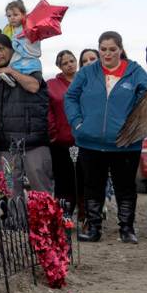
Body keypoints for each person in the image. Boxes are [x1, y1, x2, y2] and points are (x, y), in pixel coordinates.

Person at [65, 32, 147, 244]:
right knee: (92, 186)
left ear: (120, 50)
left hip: (125, 144)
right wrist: (78, 124)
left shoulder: (135, 72)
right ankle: (94, 228)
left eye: (112, 49)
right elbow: (71, 97)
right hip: (90, 142)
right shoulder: (87, 72)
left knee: (125, 187)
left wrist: (145, 125)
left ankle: (127, 229)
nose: (107, 53)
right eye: (103, 49)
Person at [0, 34, 53, 195]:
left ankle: (47, 221)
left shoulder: (28, 66)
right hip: (7, 148)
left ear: (12, 49)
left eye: (1, 49)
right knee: (11, 192)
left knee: (42, 193)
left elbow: (33, 87)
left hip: (34, 144)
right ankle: (16, 221)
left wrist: (11, 71)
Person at [48, 50, 79, 212]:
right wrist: (53, 133)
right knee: (63, 180)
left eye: (71, 61)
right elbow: (48, 110)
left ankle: (86, 216)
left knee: (84, 179)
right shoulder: (52, 84)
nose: (69, 65)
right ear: (59, 66)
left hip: (85, 140)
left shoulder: (85, 81)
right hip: (60, 141)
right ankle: (63, 215)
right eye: (65, 63)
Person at [3, 0, 41, 77]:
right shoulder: (7, 30)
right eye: (9, 16)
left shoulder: (30, 26)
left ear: (23, 14)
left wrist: (17, 41)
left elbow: (33, 42)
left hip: (29, 56)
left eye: (15, 15)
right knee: (13, 67)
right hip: (16, 56)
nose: (12, 18)